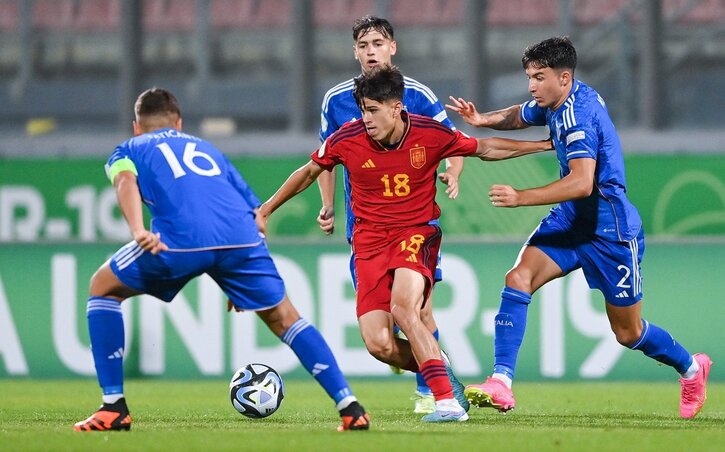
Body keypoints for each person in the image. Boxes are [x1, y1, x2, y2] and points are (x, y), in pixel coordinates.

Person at [257, 66, 552, 423]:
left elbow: (485, 148)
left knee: (404, 309)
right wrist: (267, 209)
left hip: (416, 233)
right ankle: (438, 367)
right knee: (378, 344)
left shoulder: (430, 134)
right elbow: (308, 172)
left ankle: (447, 404)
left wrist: (542, 144)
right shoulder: (345, 138)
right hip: (368, 244)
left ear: (396, 107)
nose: (365, 118)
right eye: (363, 109)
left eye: (373, 110)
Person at [73, 88, 370, 432]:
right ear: (179, 123)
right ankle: (350, 406)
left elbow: (125, 180)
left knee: (102, 288)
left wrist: (138, 228)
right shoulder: (207, 149)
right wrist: (238, 276)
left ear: (136, 127)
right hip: (242, 241)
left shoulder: (131, 147)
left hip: (179, 241)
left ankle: (113, 407)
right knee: (286, 318)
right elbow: (257, 217)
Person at [446, 36, 712, 419]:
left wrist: (521, 196)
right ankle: (500, 382)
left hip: (610, 231)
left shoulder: (577, 116)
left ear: (564, 77)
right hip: (571, 220)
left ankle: (691, 368)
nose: (531, 86)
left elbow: (582, 182)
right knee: (518, 278)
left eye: (539, 77)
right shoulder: (558, 100)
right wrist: (483, 120)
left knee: (628, 333)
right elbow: (522, 115)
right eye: (529, 77)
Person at [317, 15, 463, 415]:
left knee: (417, 310)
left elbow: (452, 142)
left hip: (414, 222)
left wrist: (452, 172)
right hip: (366, 227)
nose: (370, 52)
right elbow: (324, 161)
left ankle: (431, 391)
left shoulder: (417, 95)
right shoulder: (335, 100)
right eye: (363, 46)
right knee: (382, 336)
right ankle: (440, 373)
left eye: (378, 44)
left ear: (392, 47)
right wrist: (328, 204)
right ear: (354, 52)